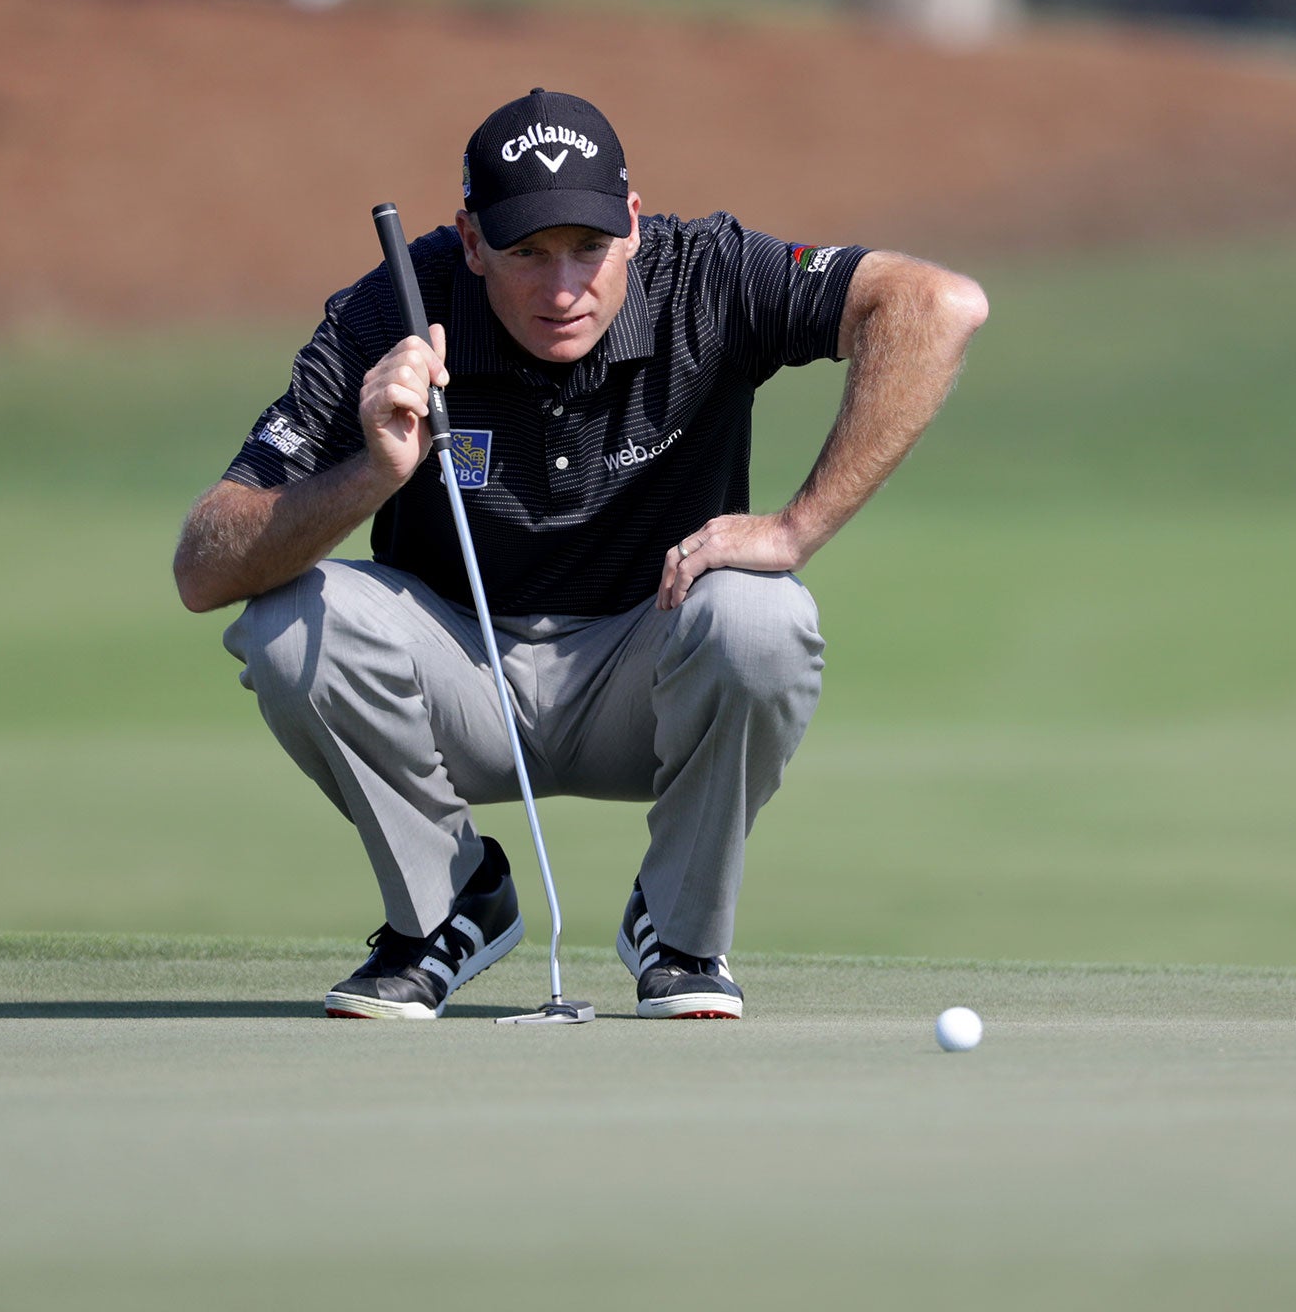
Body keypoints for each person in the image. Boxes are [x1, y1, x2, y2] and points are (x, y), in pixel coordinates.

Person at [173, 87, 987, 1019]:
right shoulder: (390, 309)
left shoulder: (705, 276)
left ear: (633, 227)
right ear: (471, 242)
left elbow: (940, 305)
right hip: (460, 679)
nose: (563, 289)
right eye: (526, 254)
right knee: (284, 628)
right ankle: (446, 908)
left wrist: (797, 528)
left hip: (650, 674)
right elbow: (204, 567)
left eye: (589, 250)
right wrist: (371, 472)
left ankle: (679, 935)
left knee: (765, 615)